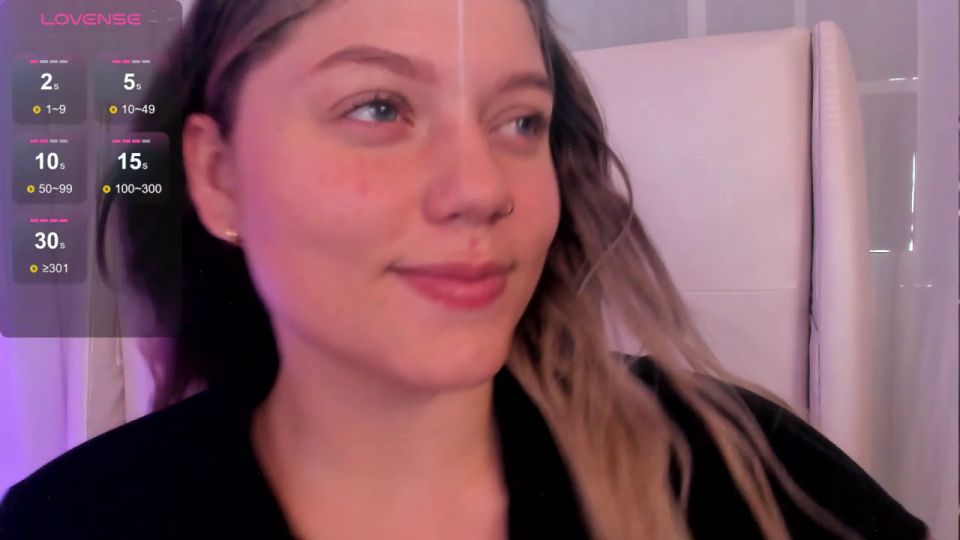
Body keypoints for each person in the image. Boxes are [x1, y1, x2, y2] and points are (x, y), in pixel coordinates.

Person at [0, 1, 929, 538]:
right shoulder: (73, 523)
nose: (483, 189)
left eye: (520, 121)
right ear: (219, 176)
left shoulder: (738, 473)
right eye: (379, 108)